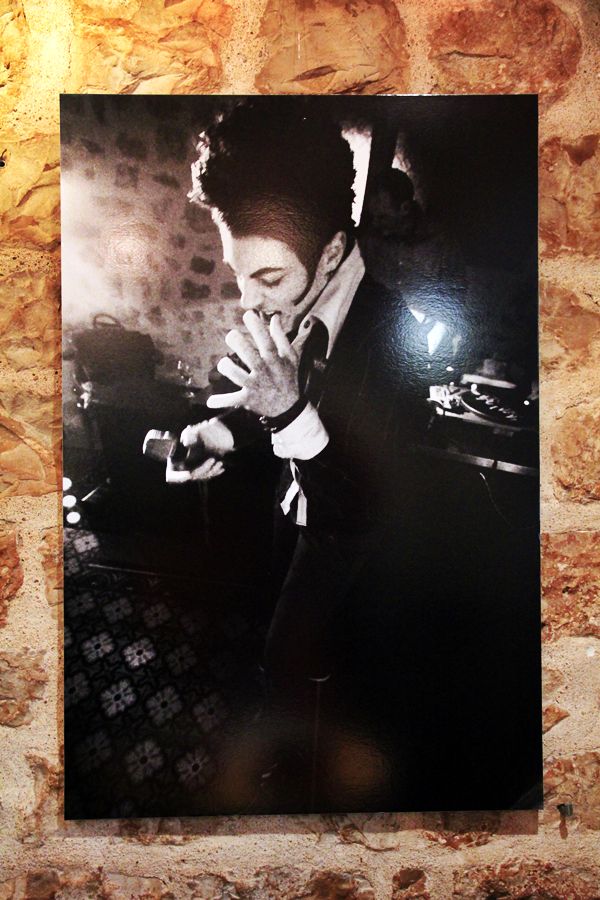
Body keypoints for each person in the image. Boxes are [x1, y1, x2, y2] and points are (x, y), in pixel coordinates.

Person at [166, 100, 429, 810]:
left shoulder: (395, 338)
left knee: (314, 671)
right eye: (239, 275)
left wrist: (285, 410)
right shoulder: (285, 302)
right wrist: (220, 432)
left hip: (356, 562)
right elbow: (264, 403)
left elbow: (361, 509)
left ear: (333, 253)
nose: (251, 305)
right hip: (291, 519)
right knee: (269, 646)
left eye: (270, 279)